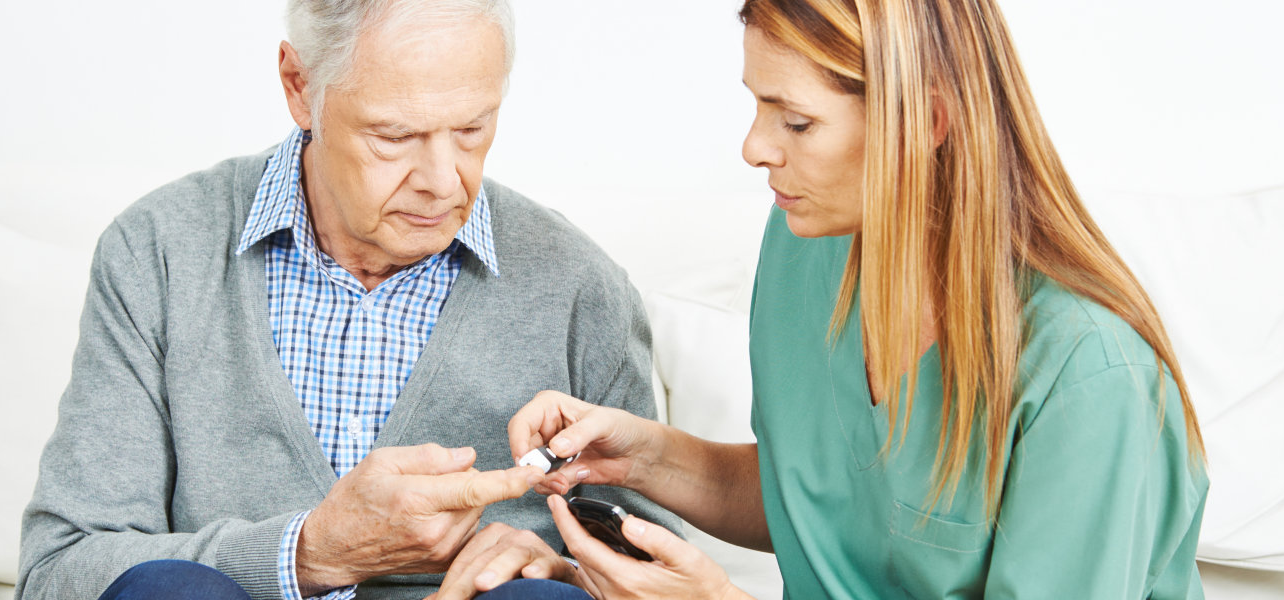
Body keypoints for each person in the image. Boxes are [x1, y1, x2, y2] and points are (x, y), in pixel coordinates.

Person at [512, 0, 1211, 598]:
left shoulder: (1090, 378)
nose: (754, 148)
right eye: (758, 105)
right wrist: (641, 459)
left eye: (796, 122)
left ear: (928, 124)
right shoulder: (804, 243)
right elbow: (829, 498)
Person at [15, 1, 673, 599]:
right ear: (300, 87)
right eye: (394, 136)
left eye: (473, 129)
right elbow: (58, 572)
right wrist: (307, 553)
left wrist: (562, 570)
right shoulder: (158, 252)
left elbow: (663, 580)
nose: (444, 183)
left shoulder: (582, 290)